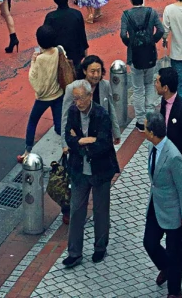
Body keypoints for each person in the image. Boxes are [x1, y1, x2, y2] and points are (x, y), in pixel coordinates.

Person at [60, 78, 117, 267]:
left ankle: (100, 248)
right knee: (76, 211)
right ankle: (74, 252)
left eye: (79, 98)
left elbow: (103, 143)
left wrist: (81, 143)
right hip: (79, 170)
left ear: (89, 96)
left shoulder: (101, 114)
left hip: (100, 170)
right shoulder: (73, 112)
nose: (76, 102)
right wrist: (84, 141)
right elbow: (69, 136)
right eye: (74, 99)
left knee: (101, 211)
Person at [141, 110, 182, 298]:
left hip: (173, 211)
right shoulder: (152, 147)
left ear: (153, 133)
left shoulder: (173, 156)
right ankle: (166, 268)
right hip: (156, 205)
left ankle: (174, 292)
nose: (143, 130)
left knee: (174, 253)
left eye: (145, 127)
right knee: (149, 242)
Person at [120, 0, 163, 103]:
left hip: (134, 55)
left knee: (138, 89)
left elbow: (123, 35)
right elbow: (160, 30)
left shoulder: (126, 15)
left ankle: (139, 119)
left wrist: (130, 44)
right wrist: (152, 40)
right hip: (150, 53)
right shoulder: (151, 12)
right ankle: (149, 112)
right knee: (149, 84)